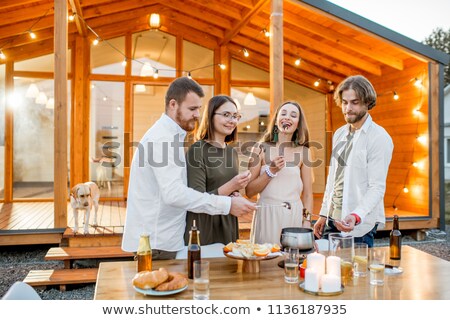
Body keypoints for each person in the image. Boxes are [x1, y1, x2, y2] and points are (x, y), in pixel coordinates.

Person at [122, 77, 256, 259]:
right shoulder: (162, 139)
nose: (197, 115)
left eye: (199, 109)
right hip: (156, 242)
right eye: (192, 109)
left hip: (165, 238)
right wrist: (227, 204)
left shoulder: (174, 136)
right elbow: (174, 194)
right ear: (173, 105)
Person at [313, 75, 393, 248]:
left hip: (358, 227)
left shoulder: (379, 137)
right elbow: (333, 178)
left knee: (355, 274)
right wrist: (323, 214)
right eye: (344, 102)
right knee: (326, 272)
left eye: (355, 102)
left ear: (367, 102)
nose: (348, 108)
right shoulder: (339, 134)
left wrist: (356, 215)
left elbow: (377, 187)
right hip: (331, 222)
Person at [183, 95, 252, 245]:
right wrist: (233, 185)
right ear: (210, 116)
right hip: (205, 226)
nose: (232, 120)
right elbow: (196, 199)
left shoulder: (231, 152)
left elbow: (227, 189)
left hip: (227, 223)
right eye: (226, 115)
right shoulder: (197, 150)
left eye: (235, 116)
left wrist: (237, 195)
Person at [245, 101, 314, 245]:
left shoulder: (304, 152)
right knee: (265, 261)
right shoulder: (259, 149)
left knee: (291, 262)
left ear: (298, 124)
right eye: (283, 114)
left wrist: (307, 222)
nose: (287, 117)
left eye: (293, 115)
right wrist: (271, 171)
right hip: (267, 214)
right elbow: (249, 191)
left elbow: (308, 194)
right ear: (276, 121)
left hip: (293, 215)